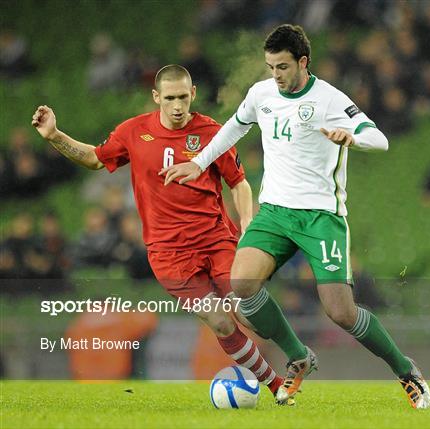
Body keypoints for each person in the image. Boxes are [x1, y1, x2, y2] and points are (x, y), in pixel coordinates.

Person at [161, 25, 430, 408]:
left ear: (303, 62)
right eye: (271, 66)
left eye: (283, 67)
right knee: (243, 282)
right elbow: (234, 128)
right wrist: (199, 163)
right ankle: (299, 356)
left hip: (321, 216)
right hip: (274, 211)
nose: (276, 75)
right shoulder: (262, 93)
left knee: (340, 311)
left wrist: (351, 138)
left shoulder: (329, 99)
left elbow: (380, 138)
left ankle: (407, 370)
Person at [31, 65, 288, 401]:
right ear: (157, 97)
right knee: (221, 322)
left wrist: (248, 226)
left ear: (192, 93)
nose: (178, 105)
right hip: (169, 255)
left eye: (183, 97)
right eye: (170, 98)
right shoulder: (134, 132)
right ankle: (277, 386)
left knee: (247, 313)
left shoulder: (212, 132)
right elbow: (95, 158)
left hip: (217, 241)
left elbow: (238, 183)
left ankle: (297, 355)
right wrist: (54, 136)